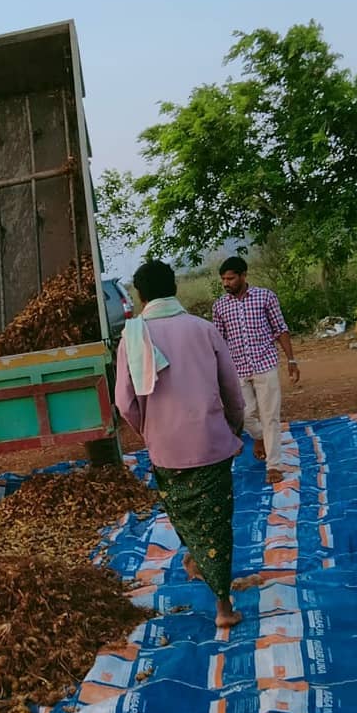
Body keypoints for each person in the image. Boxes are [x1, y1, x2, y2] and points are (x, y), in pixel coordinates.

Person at [115, 260, 246, 628]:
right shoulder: (203, 329)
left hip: (166, 448)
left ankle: (199, 563)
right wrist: (231, 428)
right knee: (216, 520)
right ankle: (223, 605)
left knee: (185, 512)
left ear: (140, 295)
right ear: (174, 287)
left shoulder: (132, 338)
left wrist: (151, 429)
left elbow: (125, 403)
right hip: (211, 442)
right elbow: (232, 391)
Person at [212, 256, 299, 484]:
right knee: (243, 415)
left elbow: (280, 329)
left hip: (265, 364)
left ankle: (274, 465)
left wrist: (291, 360)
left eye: (230, 278)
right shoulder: (220, 306)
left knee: (270, 417)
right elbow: (219, 342)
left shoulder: (265, 297)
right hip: (237, 369)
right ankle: (260, 438)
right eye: (223, 279)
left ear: (243, 276)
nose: (226, 283)